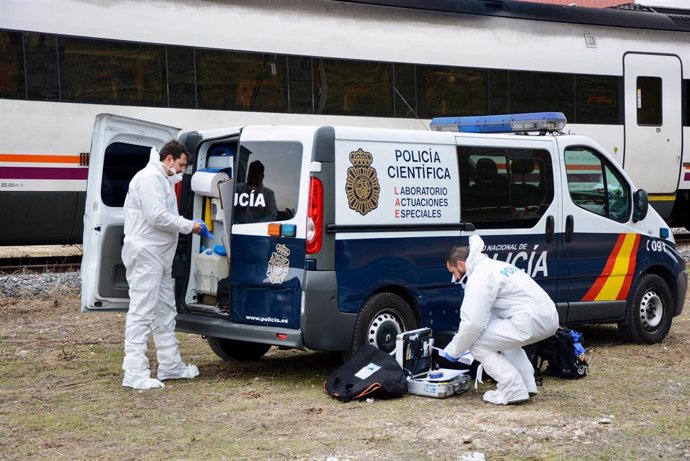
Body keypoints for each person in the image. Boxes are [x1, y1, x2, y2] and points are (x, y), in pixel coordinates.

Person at [120, 140, 205, 390]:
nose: (181, 170)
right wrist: (189, 225)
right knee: (142, 312)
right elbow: (156, 216)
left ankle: (170, 365)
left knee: (164, 311)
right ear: (168, 159)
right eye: (180, 164)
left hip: (157, 257)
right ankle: (134, 372)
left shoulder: (160, 179)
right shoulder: (149, 178)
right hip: (147, 254)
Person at [439, 235, 559, 405]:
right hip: (548, 317)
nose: (457, 278)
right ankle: (527, 383)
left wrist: (453, 351)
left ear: (460, 264)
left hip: (529, 320)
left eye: (454, 273)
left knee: (476, 344)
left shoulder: (479, 277)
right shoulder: (496, 266)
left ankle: (513, 389)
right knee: (503, 341)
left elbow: (472, 324)